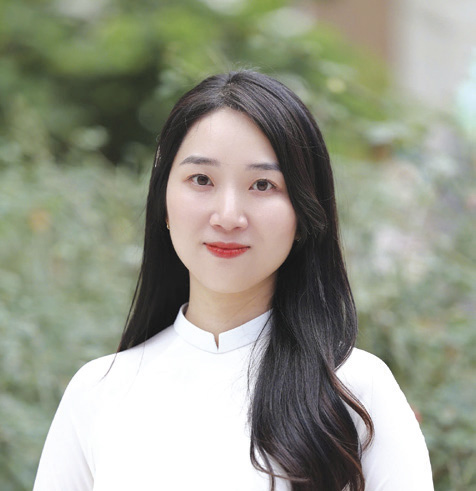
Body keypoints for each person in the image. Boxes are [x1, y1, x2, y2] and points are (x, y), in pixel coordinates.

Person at [33, 70, 434, 491]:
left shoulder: (355, 391)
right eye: (201, 180)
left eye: (262, 184)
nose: (228, 216)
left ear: (303, 213)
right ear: (163, 201)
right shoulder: (98, 393)